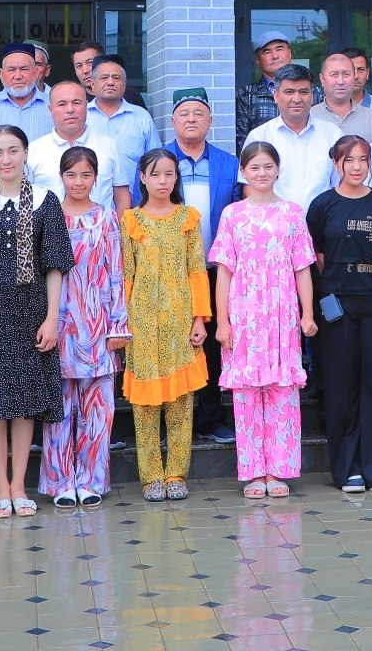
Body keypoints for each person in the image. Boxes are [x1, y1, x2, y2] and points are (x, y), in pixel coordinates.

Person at [0, 126, 74, 518]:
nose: (6, 159)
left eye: (13, 150)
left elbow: (55, 266)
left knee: (24, 403)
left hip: (30, 311)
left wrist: (52, 318)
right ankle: (0, 485)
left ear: (25, 153)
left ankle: (20, 484)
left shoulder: (45, 200)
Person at [210, 141, 317, 499]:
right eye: (254, 167)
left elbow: (302, 267)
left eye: (268, 166)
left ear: (278, 169)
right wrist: (222, 321)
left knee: (282, 391)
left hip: (282, 313)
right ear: (243, 171)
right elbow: (224, 271)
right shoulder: (232, 215)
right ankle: (254, 471)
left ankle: (278, 470)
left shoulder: (292, 213)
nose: (261, 173)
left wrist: (307, 313)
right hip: (244, 314)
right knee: (247, 394)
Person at [307, 136, 372, 493]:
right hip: (335, 302)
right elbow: (317, 257)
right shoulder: (322, 205)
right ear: (336, 164)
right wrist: (340, 283)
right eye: (349, 160)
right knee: (340, 383)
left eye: (363, 159)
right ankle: (347, 468)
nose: (357, 166)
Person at [39, 147, 130, 507]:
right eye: (72, 174)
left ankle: (92, 480)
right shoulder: (48, 216)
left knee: (97, 409)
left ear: (96, 178)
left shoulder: (106, 217)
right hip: (59, 324)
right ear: (61, 176)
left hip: (97, 324)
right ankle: (60, 481)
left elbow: (116, 272)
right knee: (59, 409)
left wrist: (118, 325)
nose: (79, 182)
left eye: (86, 175)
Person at [120, 148, 211, 503]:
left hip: (180, 320)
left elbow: (197, 270)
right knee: (145, 404)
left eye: (169, 174)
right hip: (142, 322)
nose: (163, 181)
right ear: (142, 178)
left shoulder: (188, 217)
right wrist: (122, 321)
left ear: (177, 178)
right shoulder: (131, 220)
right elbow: (126, 275)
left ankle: (176, 473)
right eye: (155, 174)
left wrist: (200, 317)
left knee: (181, 402)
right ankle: (150, 477)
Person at [153, 88, 242, 445]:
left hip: (215, 270)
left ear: (210, 120)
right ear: (173, 121)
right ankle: (169, 420)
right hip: (169, 271)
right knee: (169, 344)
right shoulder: (157, 161)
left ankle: (210, 417)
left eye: (198, 113)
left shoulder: (228, 163)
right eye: (184, 114)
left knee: (212, 346)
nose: (191, 119)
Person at [245, 64, 339, 211]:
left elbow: (340, 184)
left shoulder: (333, 134)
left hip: (323, 221)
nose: (296, 99)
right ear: (276, 96)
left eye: (303, 92)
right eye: (289, 92)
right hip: (273, 221)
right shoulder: (259, 136)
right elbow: (249, 187)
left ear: (313, 95)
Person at [27, 80, 130, 213]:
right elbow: (25, 199)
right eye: (62, 104)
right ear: (50, 109)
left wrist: (119, 226)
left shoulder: (108, 145)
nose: (70, 110)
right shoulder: (34, 150)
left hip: (101, 225)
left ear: (86, 105)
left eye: (76, 103)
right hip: (48, 226)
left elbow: (121, 196)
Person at [0, 43, 54, 166]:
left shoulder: (52, 106)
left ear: (35, 72)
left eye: (24, 69)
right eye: (11, 69)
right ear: (1, 74)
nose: (18, 76)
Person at [238, 31, 319, 147]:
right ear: (257, 61)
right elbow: (242, 142)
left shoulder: (314, 92)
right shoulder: (246, 95)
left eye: (280, 49)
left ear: (289, 53)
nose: (275, 56)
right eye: (267, 52)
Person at [86, 55, 156, 189]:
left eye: (116, 78)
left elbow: (155, 162)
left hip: (135, 198)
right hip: (91, 199)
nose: (110, 82)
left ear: (124, 86)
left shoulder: (142, 117)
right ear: (93, 85)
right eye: (104, 78)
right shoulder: (82, 116)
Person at [312, 51, 372, 141]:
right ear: (322, 79)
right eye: (334, 74)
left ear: (354, 77)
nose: (340, 81)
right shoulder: (309, 116)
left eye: (346, 74)